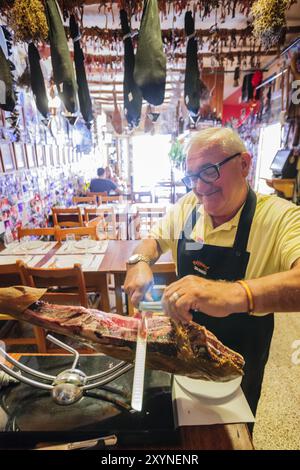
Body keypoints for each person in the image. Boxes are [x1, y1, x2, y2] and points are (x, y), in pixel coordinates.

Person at [124, 127, 300, 419]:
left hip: (240, 354)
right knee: (179, 418)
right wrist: (140, 261)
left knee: (231, 428)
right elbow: (153, 240)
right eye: (192, 177)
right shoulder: (189, 208)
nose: (200, 187)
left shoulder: (280, 217)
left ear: (244, 164)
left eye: (209, 171)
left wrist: (232, 293)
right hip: (183, 342)